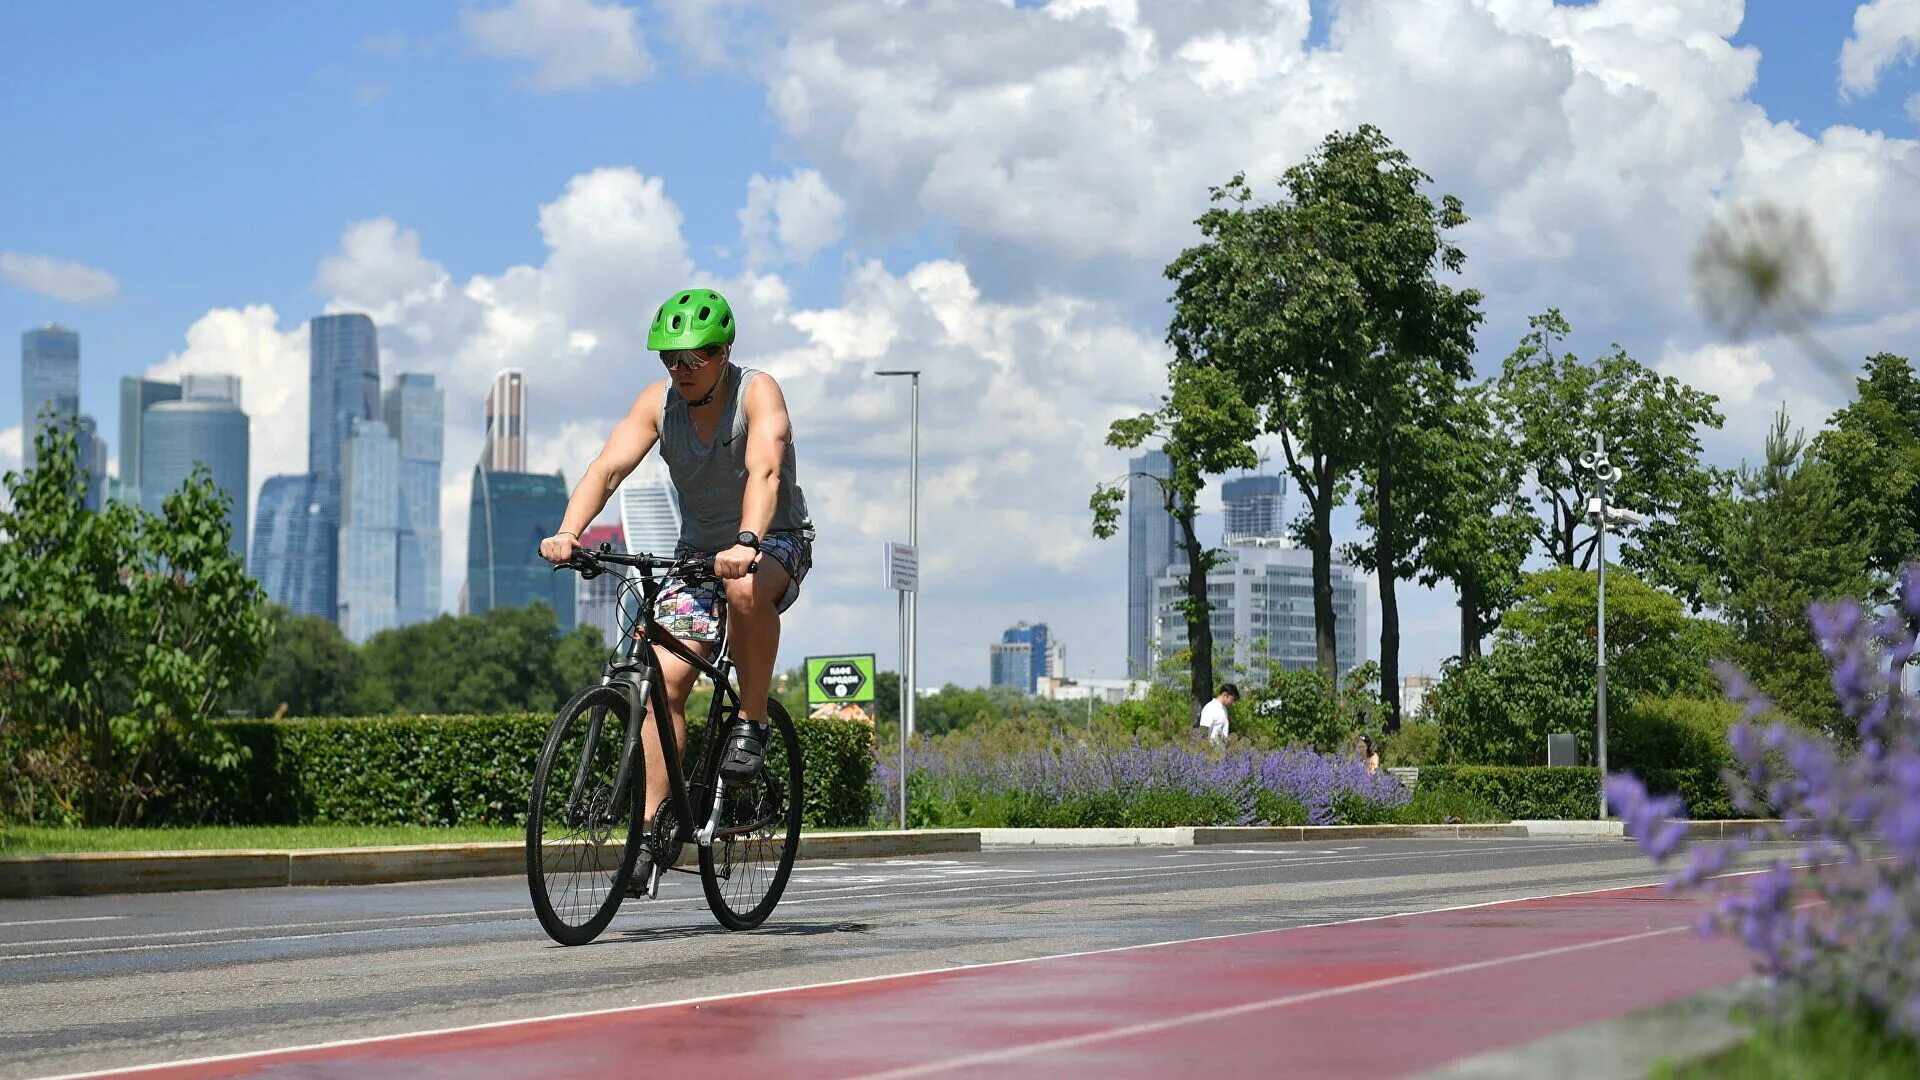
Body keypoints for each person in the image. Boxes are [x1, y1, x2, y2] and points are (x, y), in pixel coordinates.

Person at [540, 287, 813, 895]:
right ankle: (650, 830)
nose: (682, 370)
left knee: (744, 594)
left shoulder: (757, 392)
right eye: (670, 358)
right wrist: (567, 532)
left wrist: (747, 540)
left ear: (725, 352)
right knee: (661, 681)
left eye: (696, 357)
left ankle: (753, 721)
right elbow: (608, 469)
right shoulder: (658, 404)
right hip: (696, 559)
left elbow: (766, 469)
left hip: (772, 541)